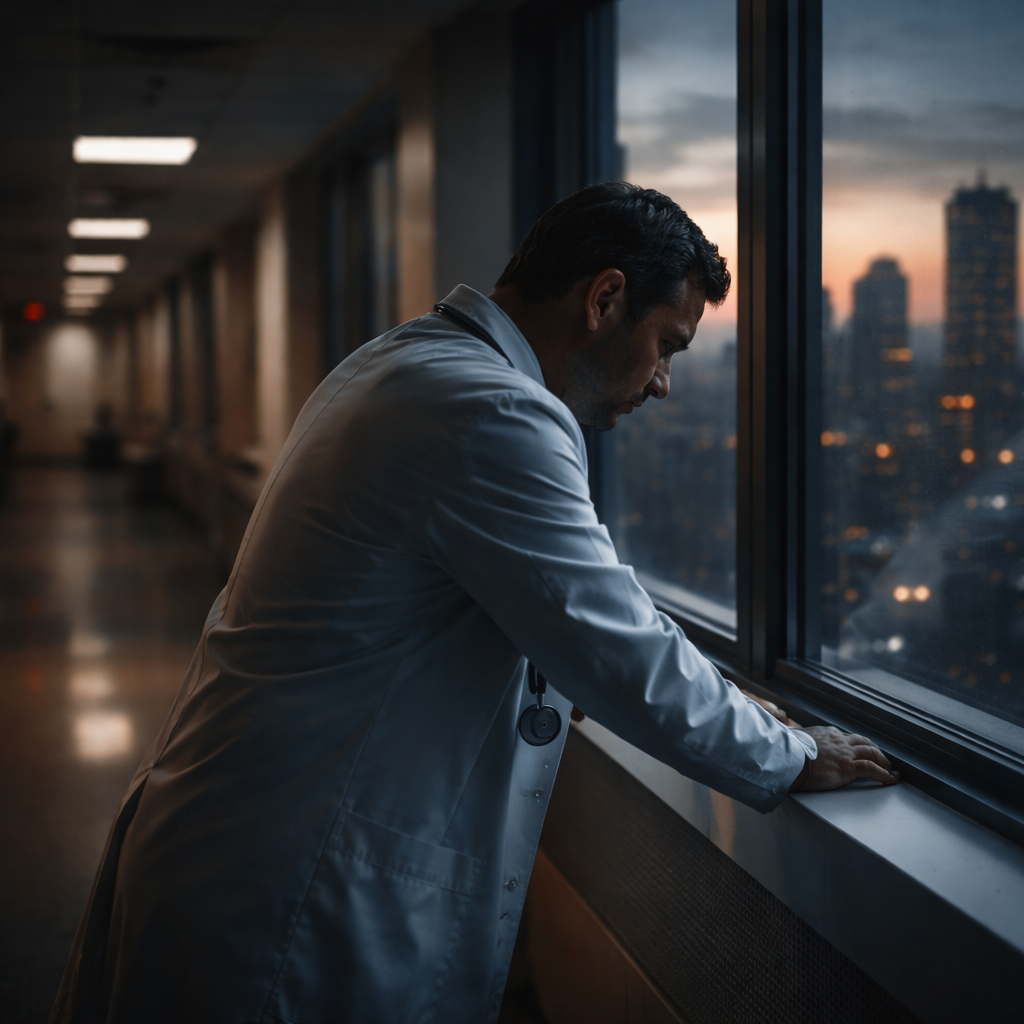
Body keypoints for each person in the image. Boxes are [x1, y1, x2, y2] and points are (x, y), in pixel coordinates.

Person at [52, 183, 896, 1024]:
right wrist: (787, 754)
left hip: (241, 840)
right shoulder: (492, 411)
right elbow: (614, 645)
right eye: (667, 344)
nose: (665, 382)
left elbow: (576, 596)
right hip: (288, 888)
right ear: (604, 299)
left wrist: (726, 693)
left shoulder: (402, 362)